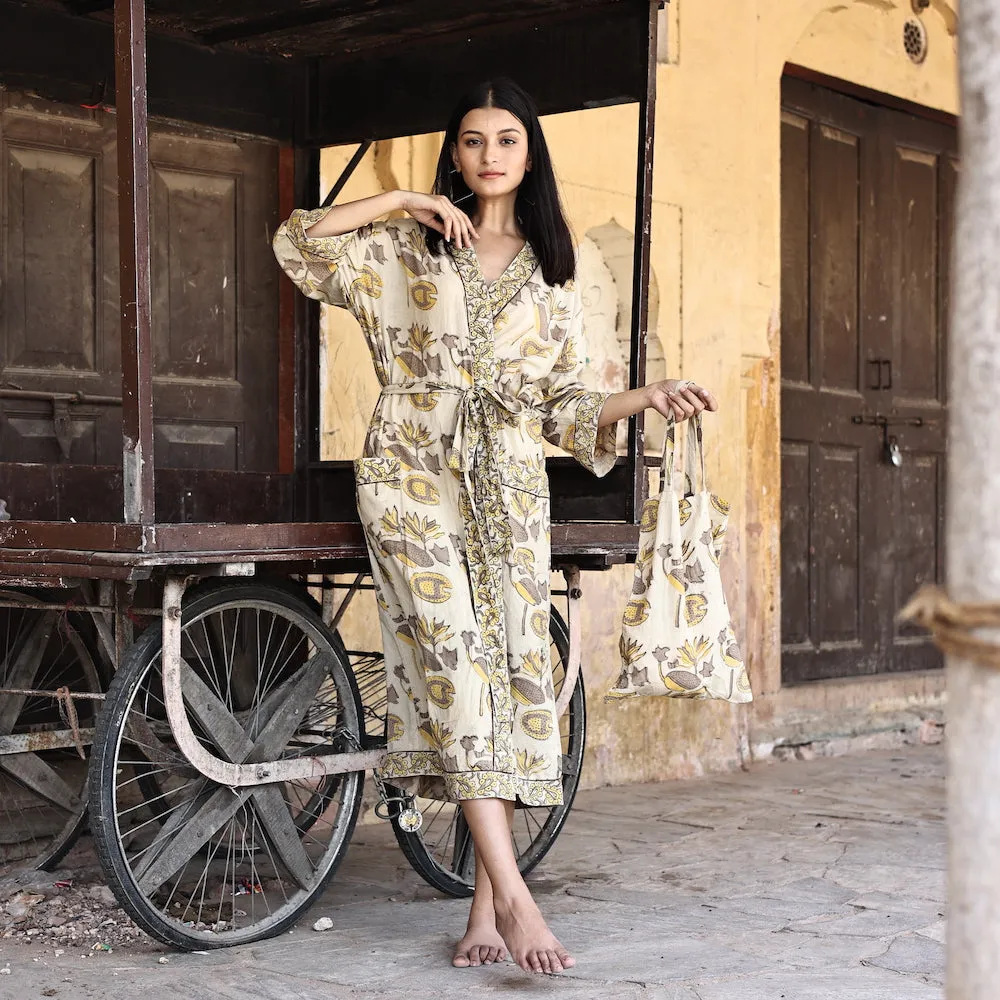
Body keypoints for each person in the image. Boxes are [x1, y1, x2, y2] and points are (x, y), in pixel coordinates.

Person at [272, 77, 717, 976]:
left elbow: (564, 406)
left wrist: (648, 397)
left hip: (509, 484)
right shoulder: (404, 244)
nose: (488, 156)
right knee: (451, 658)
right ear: (456, 153)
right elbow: (295, 242)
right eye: (472, 141)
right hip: (409, 473)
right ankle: (516, 894)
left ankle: (482, 905)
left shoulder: (554, 267)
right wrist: (403, 196)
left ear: (529, 153)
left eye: (506, 140)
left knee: (512, 670)